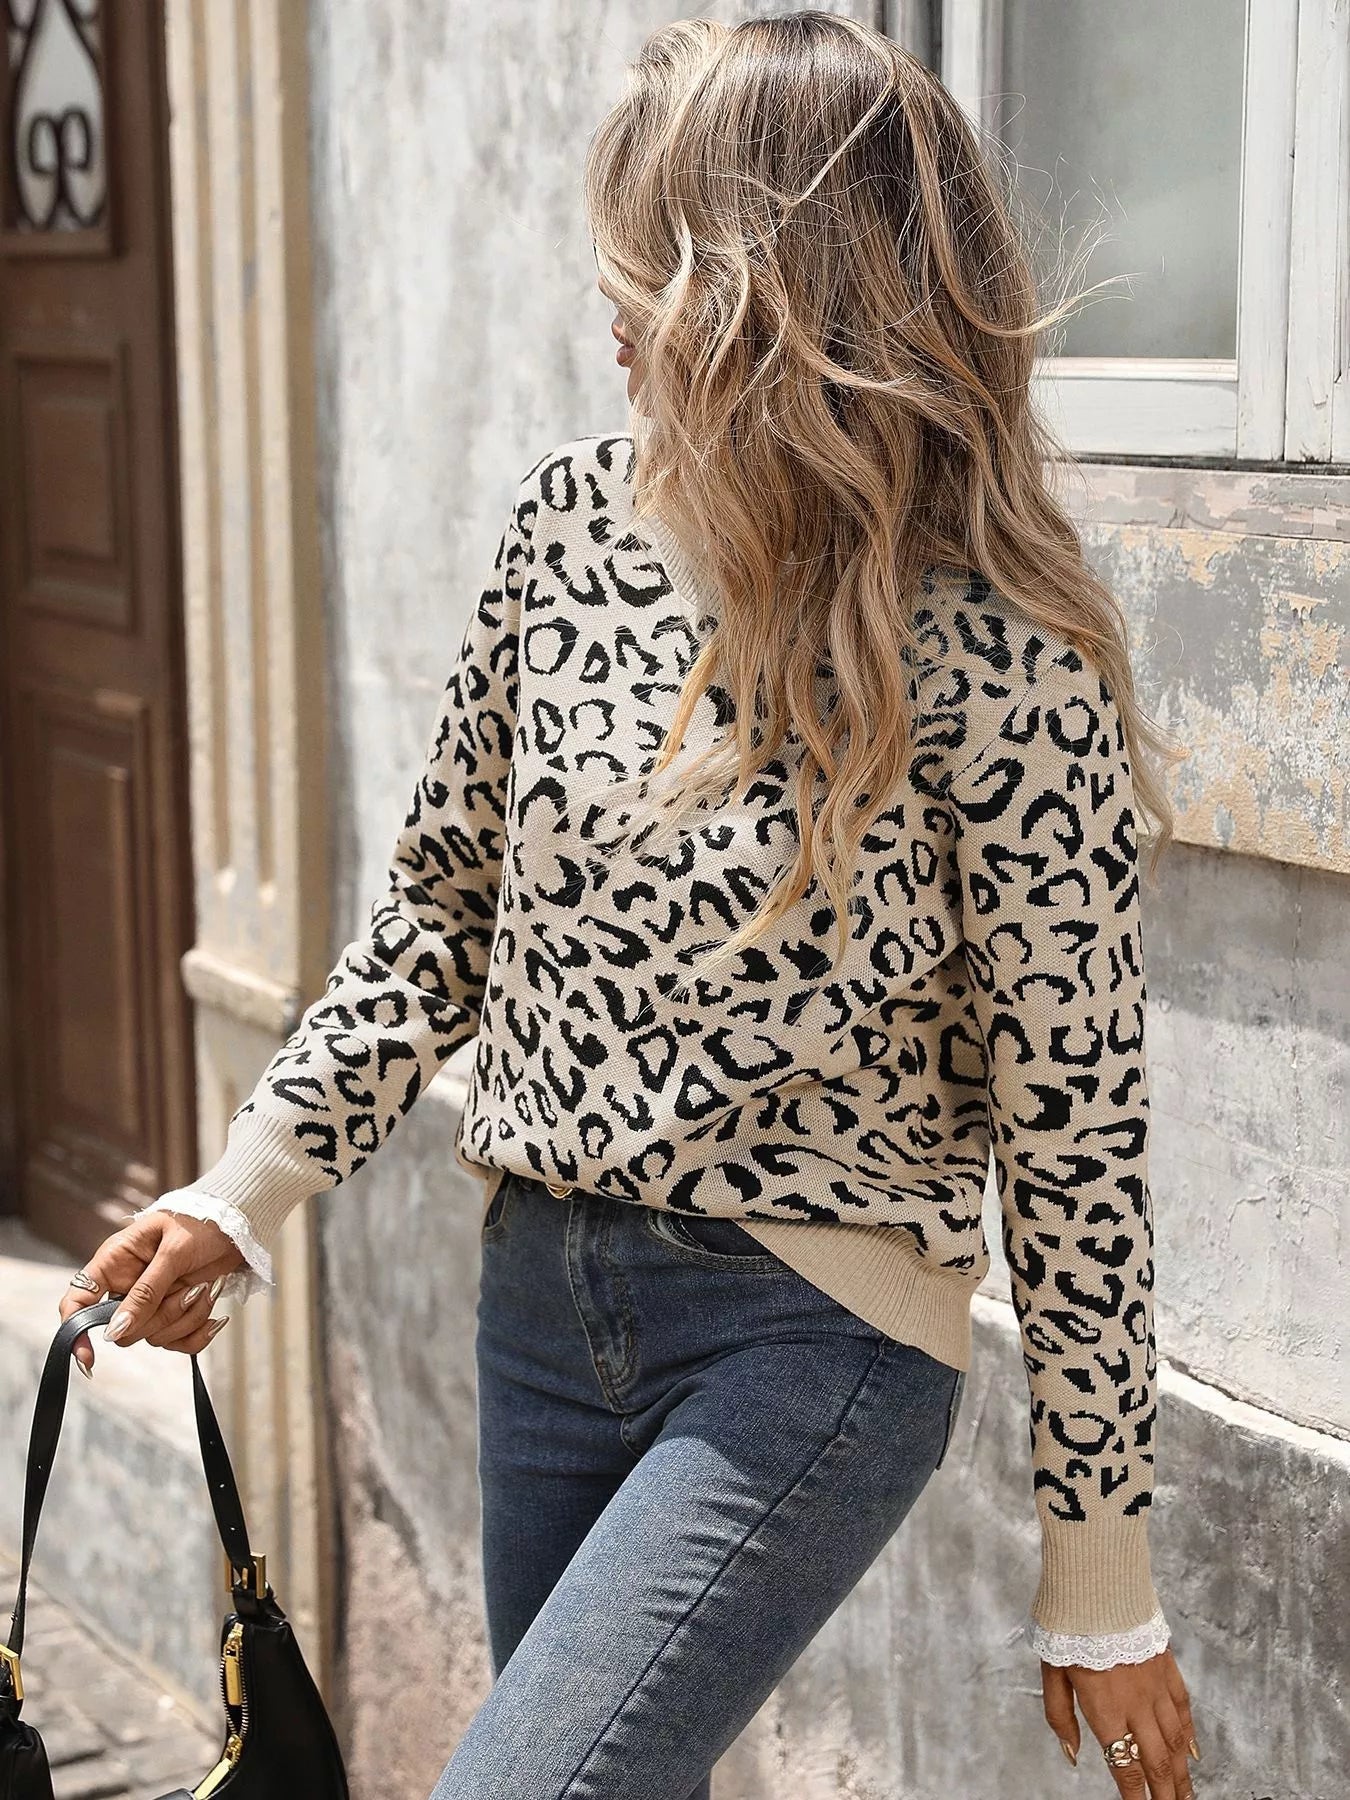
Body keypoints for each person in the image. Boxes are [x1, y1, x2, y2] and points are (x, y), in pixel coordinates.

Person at [59, 14, 1199, 1798]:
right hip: (538, 1288)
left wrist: (1101, 1578)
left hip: (804, 1336)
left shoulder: (1004, 647)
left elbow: (1076, 1136)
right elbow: (440, 914)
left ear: (763, 291)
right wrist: (245, 1187)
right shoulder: (569, 527)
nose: (608, 297)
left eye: (646, 252)